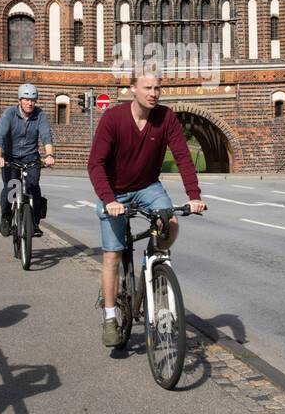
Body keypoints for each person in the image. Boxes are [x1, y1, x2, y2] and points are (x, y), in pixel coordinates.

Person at [87, 69, 206, 348]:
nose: (153, 93)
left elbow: (183, 158)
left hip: (148, 187)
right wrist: (109, 200)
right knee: (112, 255)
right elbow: (95, 164)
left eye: (157, 88)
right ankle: (109, 317)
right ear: (132, 89)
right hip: (115, 191)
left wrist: (194, 196)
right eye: (148, 88)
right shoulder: (113, 119)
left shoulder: (166, 118)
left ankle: (154, 261)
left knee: (171, 223)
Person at [0, 84, 55, 237]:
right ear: (20, 100)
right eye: (26, 99)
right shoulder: (10, 113)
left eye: (33, 100)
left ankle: (35, 223)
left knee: (34, 188)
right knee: (11, 188)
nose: (30, 103)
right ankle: (6, 218)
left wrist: (49, 155)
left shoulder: (39, 115)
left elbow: (46, 135)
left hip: (31, 158)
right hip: (10, 158)